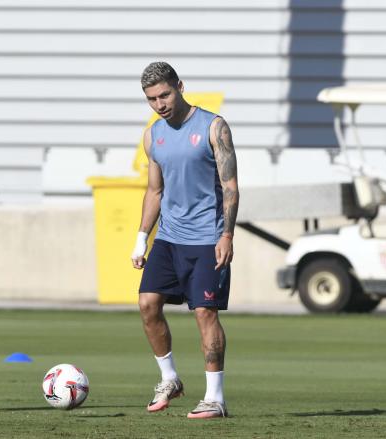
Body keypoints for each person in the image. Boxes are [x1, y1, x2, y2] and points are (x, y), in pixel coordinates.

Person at [131, 61, 239, 419]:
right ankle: (170, 379)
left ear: (179, 86)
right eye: (151, 99)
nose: (160, 104)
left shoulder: (213, 126)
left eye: (164, 94)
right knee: (148, 304)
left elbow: (230, 187)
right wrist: (141, 238)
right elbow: (154, 191)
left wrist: (226, 234)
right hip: (169, 238)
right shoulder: (153, 136)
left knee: (205, 313)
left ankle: (215, 398)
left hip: (207, 238)